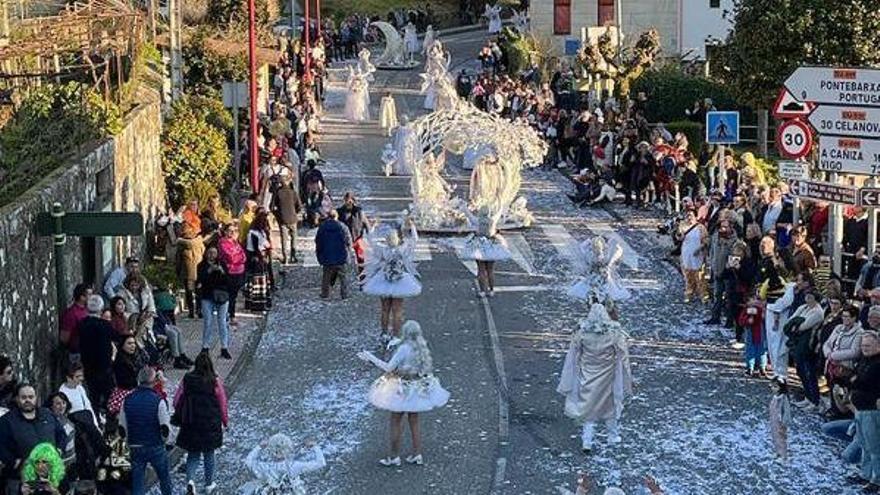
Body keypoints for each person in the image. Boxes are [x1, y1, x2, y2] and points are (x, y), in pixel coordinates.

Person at [357, 320, 450, 466]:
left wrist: (370, 357)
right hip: (417, 389)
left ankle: (394, 456)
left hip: (402, 389)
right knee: (414, 420)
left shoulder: (404, 349)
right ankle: (417, 453)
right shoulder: (421, 346)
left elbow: (388, 367)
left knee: (396, 420)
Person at [557, 303, 632, 452]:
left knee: (588, 408)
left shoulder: (582, 333)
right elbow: (623, 354)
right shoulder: (614, 333)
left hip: (587, 374)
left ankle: (587, 441)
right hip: (608, 374)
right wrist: (626, 376)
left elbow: (574, 352)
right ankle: (612, 436)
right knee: (609, 406)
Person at [174, 352, 228, 495]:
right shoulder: (215, 381)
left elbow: (177, 400)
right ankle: (209, 484)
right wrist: (225, 421)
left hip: (191, 423)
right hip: (210, 423)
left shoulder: (187, 380)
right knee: (209, 454)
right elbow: (222, 403)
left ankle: (190, 481)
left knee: (193, 454)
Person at [0, 384, 65, 493]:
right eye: (23, 397)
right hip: (23, 479)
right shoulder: (6, 421)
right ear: (17, 399)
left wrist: (59, 450)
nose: (27, 400)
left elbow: (61, 435)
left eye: (31, 397)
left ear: (36, 398)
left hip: (51, 477)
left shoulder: (47, 414)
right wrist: (12, 462)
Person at [362, 222, 421, 341]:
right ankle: (396, 335)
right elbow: (415, 240)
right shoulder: (402, 250)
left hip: (383, 280)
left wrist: (372, 226)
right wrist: (412, 226)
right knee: (397, 311)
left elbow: (370, 239)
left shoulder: (382, 250)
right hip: (400, 281)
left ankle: (384, 333)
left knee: (385, 310)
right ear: (397, 240)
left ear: (387, 240)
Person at [119, 367, 173, 495]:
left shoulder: (127, 400)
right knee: (164, 478)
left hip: (135, 445)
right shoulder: (158, 401)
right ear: (154, 381)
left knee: (137, 481)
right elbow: (165, 427)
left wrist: (127, 442)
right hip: (155, 445)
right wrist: (165, 441)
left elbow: (122, 427)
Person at [239, 434, 326, 495]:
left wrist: (259, 447)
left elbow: (249, 461)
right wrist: (314, 447)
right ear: (288, 449)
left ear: (270, 450)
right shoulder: (294, 466)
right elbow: (320, 463)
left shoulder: (265, 467)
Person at [787, 291, 825, 411]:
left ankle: (814, 400)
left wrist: (796, 324)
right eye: (807, 297)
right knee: (801, 371)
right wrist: (796, 322)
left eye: (810, 297)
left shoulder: (818, 312)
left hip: (809, 345)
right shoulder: (803, 307)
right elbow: (791, 320)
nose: (808, 299)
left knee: (809, 372)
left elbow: (803, 326)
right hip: (799, 342)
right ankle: (807, 397)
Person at [77, 295, 115, 413]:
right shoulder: (105, 325)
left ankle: (96, 417)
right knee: (108, 396)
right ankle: (110, 423)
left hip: (88, 366)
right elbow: (115, 337)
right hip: (103, 367)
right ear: (101, 309)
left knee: (93, 396)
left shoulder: (83, 324)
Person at [460, 211, 510, 297]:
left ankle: (482, 291)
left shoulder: (477, 220)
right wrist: (500, 201)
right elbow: (499, 211)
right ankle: (491, 290)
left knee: (481, 270)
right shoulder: (492, 220)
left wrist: (464, 207)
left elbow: (468, 214)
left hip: (480, 247)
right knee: (490, 270)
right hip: (491, 247)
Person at [197, 247, 232, 360]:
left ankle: (224, 347)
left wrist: (222, 271)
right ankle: (205, 347)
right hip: (207, 296)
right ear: (206, 254)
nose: (212, 255)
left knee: (222, 322)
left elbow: (228, 281)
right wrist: (209, 271)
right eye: (210, 253)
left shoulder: (222, 264)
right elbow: (201, 280)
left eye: (214, 253)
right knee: (208, 322)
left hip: (222, 296)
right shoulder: (201, 266)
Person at [315, 209, 353, 300]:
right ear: (337, 216)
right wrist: (348, 252)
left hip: (327, 256)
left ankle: (325, 293)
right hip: (341, 256)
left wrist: (319, 255)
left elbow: (318, 242)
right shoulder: (342, 227)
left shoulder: (323, 227)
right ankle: (344, 294)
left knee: (326, 276)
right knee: (343, 277)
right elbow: (348, 241)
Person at [218, 224, 247, 327]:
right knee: (229, 295)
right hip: (229, 272)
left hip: (239, 271)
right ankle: (229, 315)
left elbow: (243, 255)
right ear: (225, 231)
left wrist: (238, 257)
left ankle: (231, 315)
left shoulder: (235, 242)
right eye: (230, 230)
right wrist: (237, 257)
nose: (232, 232)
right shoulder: (222, 243)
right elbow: (231, 258)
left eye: (234, 230)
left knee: (234, 296)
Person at [58, 362, 100, 431]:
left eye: (81, 376)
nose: (81, 378)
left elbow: (88, 406)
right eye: (77, 376)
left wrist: (96, 426)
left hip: (87, 424)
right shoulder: (62, 392)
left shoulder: (80, 388)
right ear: (69, 378)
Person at [177, 223, 206, 319]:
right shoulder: (199, 241)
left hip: (189, 272)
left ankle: (193, 311)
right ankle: (197, 310)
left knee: (191, 292)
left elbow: (179, 259)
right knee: (197, 292)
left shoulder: (183, 243)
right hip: (195, 271)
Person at [679, 211, 708, 303]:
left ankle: (703, 295)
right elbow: (679, 238)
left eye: (691, 215)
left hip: (697, 253)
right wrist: (680, 235)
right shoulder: (683, 226)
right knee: (688, 275)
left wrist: (700, 249)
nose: (689, 218)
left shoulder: (701, 228)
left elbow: (706, 240)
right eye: (687, 216)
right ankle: (689, 293)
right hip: (686, 253)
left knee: (700, 275)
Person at [272, 178, 303, 266]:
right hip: (293, 219)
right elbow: (299, 206)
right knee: (294, 238)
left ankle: (285, 258)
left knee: (284, 240)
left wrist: (278, 215)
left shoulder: (278, 193)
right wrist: (295, 213)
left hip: (282, 219)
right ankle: (293, 256)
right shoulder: (293, 193)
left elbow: (272, 206)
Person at [60, 283, 92, 362]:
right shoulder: (71, 314)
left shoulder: (86, 310)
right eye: (89, 294)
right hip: (76, 352)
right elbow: (64, 338)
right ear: (82, 297)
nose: (92, 297)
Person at [738, 296, 768, 376]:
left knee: (761, 350)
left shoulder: (762, 309)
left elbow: (766, 320)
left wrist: (764, 316)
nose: (755, 302)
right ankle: (750, 367)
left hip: (760, 332)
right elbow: (741, 321)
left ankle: (762, 367)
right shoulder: (747, 310)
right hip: (750, 332)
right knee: (750, 350)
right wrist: (747, 320)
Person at [769, 377, 791, 463]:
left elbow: (786, 411)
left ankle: (783, 455)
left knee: (781, 438)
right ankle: (778, 452)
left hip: (780, 422)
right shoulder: (776, 396)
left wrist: (784, 422)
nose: (772, 388)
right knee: (775, 437)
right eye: (772, 386)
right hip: (774, 420)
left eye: (775, 386)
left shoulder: (783, 398)